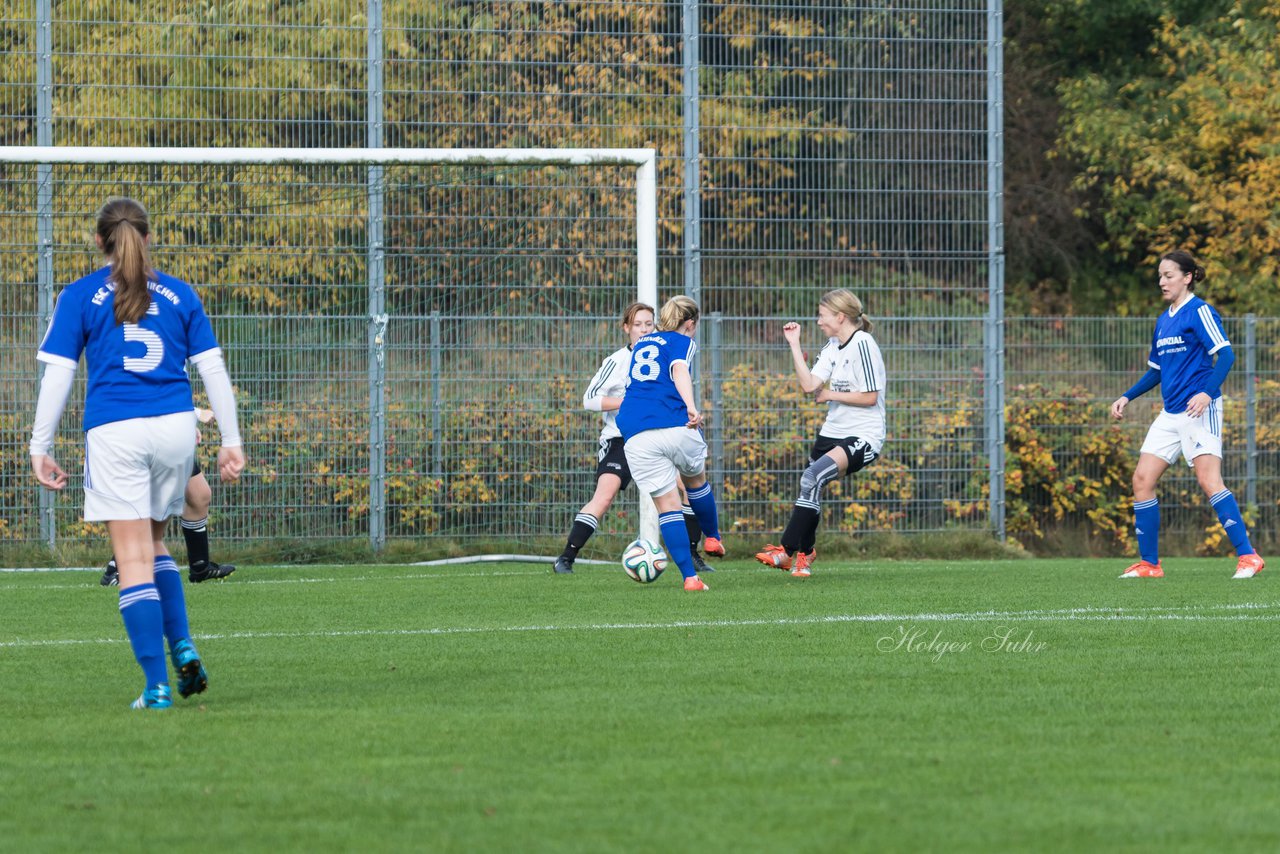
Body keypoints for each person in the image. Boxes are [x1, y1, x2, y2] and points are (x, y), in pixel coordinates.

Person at [29, 196, 245, 710]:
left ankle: (156, 687)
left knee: (130, 560)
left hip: (117, 430)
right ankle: (184, 645)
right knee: (153, 546)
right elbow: (212, 370)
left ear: (101, 242)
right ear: (147, 239)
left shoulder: (81, 295)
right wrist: (231, 441)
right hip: (175, 429)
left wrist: (40, 447)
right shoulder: (179, 293)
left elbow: (58, 375)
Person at [1109, 250, 1264, 580]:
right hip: (1170, 413)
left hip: (1199, 409)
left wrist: (1207, 393)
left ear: (1187, 277)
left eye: (1168, 275)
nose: (1161, 281)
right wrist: (1127, 396)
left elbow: (1225, 356)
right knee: (1142, 480)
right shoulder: (1163, 320)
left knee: (1209, 482)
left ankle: (1249, 557)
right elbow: (1155, 372)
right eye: (1160, 276)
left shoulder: (1200, 311)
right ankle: (1150, 564)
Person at [554, 303, 718, 575]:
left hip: (655, 434)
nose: (643, 329)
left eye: (648, 324)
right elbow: (589, 399)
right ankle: (566, 557)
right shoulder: (616, 360)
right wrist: (629, 401)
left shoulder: (662, 351)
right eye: (638, 324)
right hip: (620, 439)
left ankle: (692, 555)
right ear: (626, 328)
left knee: (688, 489)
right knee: (604, 497)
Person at [755, 289, 886, 578]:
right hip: (832, 432)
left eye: (822, 315)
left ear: (840, 317)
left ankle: (785, 550)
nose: (818, 321)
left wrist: (829, 394)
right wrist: (793, 344)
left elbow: (870, 397)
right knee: (810, 486)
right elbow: (809, 385)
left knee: (812, 478)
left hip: (863, 435)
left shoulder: (863, 343)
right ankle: (805, 553)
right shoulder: (831, 346)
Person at [615, 295, 723, 591]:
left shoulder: (642, 344)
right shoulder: (682, 341)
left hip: (635, 432)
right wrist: (691, 405)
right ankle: (712, 537)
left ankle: (690, 578)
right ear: (690, 323)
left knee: (668, 508)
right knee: (696, 482)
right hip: (674, 423)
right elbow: (678, 371)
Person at [101, 408, 236, 586]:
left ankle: (200, 567)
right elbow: (149, 389)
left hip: (168, 431)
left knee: (199, 495)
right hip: (148, 432)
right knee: (156, 505)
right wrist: (194, 413)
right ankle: (115, 568)